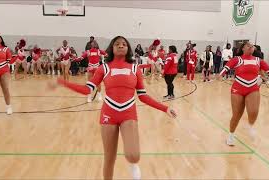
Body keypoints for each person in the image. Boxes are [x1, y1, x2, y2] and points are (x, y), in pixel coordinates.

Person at [49, 36, 177, 180]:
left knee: (133, 155)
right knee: (109, 159)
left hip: (128, 113)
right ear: (112, 48)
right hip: (108, 113)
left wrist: (165, 108)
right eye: (117, 44)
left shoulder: (135, 68)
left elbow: (143, 96)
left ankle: (132, 165)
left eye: (124, 44)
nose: (121, 46)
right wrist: (62, 82)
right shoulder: (103, 67)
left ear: (128, 48)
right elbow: (87, 89)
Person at [219, 42, 269, 146]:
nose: (251, 47)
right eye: (248, 45)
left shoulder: (259, 61)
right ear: (243, 48)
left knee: (253, 112)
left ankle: (250, 125)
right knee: (237, 115)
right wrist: (220, 75)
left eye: (252, 46)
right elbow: (226, 68)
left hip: (252, 88)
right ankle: (231, 135)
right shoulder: (237, 59)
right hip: (237, 89)